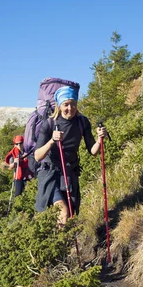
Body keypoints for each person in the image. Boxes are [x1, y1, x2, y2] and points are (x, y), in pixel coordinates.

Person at [34, 85, 107, 226]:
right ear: (59, 106)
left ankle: (58, 240)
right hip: (50, 174)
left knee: (70, 215)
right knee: (64, 212)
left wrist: (99, 139)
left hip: (69, 173)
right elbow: (37, 156)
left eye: (73, 104)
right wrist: (52, 141)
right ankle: (59, 245)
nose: (70, 108)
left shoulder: (82, 122)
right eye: (66, 105)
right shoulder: (49, 124)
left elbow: (93, 151)